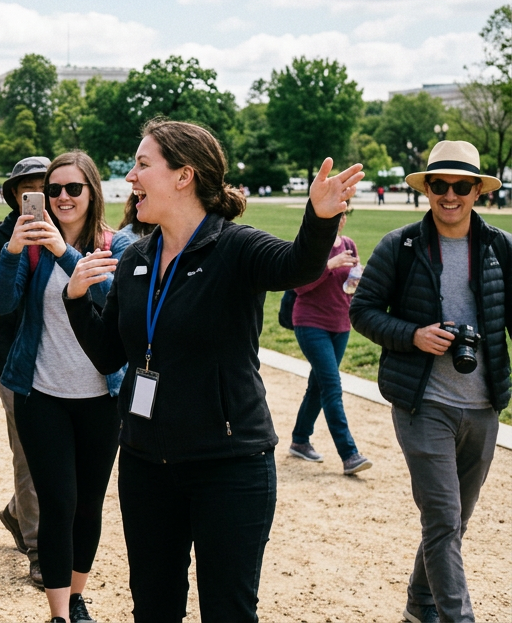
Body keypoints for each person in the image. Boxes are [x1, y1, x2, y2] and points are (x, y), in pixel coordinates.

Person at [64, 118, 361, 622]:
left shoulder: (236, 247)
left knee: (228, 610)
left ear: (184, 176)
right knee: (154, 608)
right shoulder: (136, 259)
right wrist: (75, 300)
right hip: (144, 464)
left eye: (142, 164)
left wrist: (319, 217)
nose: (131, 178)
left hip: (229, 466)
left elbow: (297, 266)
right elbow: (110, 355)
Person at [350, 140, 510, 623]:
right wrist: (414, 335)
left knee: (454, 522)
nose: (449, 195)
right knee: (442, 519)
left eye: (461, 186)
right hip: (423, 404)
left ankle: (420, 606)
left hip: (484, 405)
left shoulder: (501, 247)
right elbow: (362, 311)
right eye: (439, 185)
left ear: (478, 191)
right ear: (427, 190)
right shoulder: (399, 245)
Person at [0, 151, 129, 623]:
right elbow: (4, 304)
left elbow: (113, 304)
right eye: (54, 190)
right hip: (42, 393)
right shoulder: (27, 243)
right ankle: (58, 613)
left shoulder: (116, 244)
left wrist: (63, 252)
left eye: (74, 189)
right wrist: (13, 249)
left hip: (100, 396)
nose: (63, 198)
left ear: (92, 192)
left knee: (88, 505)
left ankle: (76, 596)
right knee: (58, 503)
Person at [0, 156, 48, 587]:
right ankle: (39, 547)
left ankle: (16, 512)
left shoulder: (70, 234)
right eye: (29, 191)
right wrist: (0, 356)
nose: (40, 200)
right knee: (28, 454)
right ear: (13, 195)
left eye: (47, 188)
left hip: (65, 364)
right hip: (15, 365)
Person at [286, 209, 373, 476]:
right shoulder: (311, 247)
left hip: (341, 324)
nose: (341, 216)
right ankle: (349, 454)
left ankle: (300, 440)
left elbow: (351, 284)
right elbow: (299, 287)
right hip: (310, 323)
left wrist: (357, 278)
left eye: (345, 211)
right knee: (332, 387)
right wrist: (330, 265)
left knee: (318, 385)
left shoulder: (349, 245)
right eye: (337, 211)